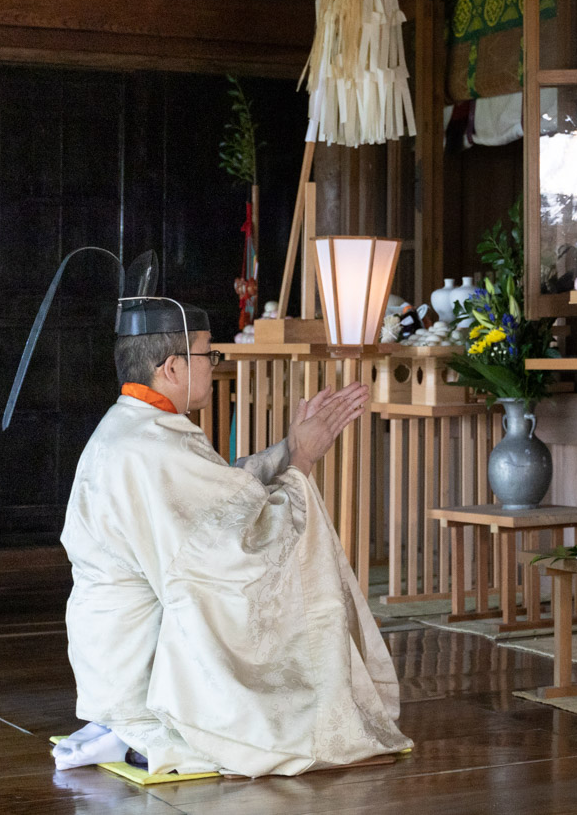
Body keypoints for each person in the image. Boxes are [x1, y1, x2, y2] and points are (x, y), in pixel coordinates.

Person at [52, 299, 411, 776]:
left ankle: (120, 729)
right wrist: (300, 464)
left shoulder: (131, 427)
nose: (214, 365)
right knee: (285, 721)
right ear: (173, 367)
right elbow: (239, 548)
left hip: (111, 657)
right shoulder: (152, 445)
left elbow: (223, 501)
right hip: (137, 668)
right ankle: (139, 735)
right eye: (209, 355)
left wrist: (290, 450)